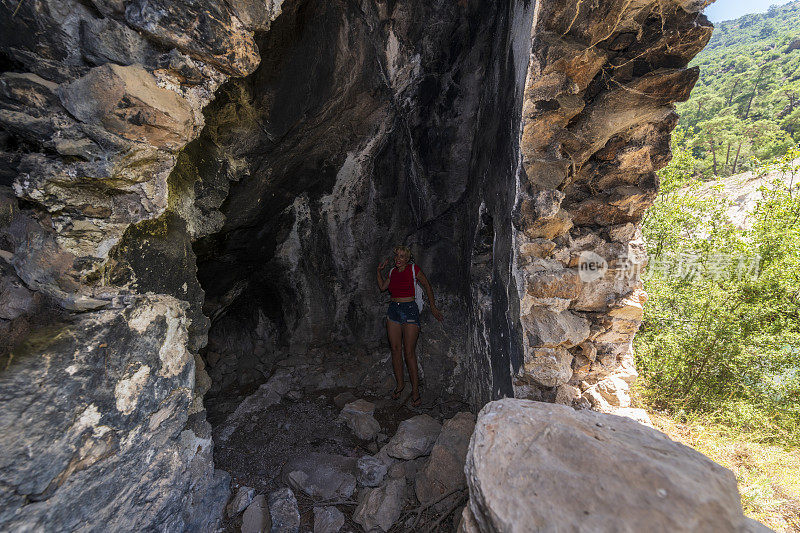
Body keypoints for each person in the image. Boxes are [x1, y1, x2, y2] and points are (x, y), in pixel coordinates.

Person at [376, 245, 443, 407]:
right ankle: (400, 384)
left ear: (407, 259)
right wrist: (379, 271)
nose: (398, 259)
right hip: (393, 311)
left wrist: (432, 306)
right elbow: (383, 287)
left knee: (409, 353)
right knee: (395, 350)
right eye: (396, 256)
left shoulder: (414, 269)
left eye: (401, 257)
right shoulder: (392, 272)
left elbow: (427, 286)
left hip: (409, 310)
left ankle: (415, 390)